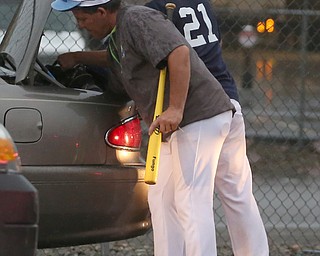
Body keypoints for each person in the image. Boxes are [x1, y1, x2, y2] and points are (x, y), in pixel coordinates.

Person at [51, 0, 235, 255]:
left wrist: (175, 108)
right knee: (160, 198)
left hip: (198, 115)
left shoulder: (137, 19)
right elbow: (115, 59)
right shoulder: (119, 34)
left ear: (102, 12)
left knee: (190, 200)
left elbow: (179, 52)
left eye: (82, 19)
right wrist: (76, 58)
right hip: (174, 125)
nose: (79, 25)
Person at [145, 0, 269, 255]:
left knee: (191, 198)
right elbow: (217, 44)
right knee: (237, 194)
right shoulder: (200, 1)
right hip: (228, 98)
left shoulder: (157, 7)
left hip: (200, 106)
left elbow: (166, 57)